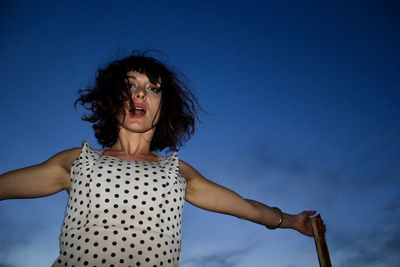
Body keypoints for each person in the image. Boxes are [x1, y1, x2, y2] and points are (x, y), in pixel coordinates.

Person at [0, 53, 316, 267]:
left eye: (152, 89)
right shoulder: (77, 161)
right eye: (129, 86)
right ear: (112, 100)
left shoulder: (176, 171)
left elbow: (246, 208)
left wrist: (291, 221)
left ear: (163, 106)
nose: (140, 94)